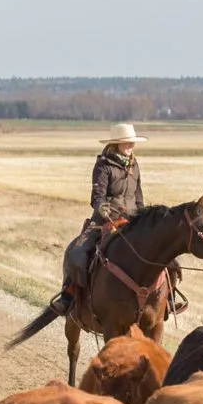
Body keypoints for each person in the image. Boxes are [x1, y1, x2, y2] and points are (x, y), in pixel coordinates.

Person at [60, 124, 143, 314]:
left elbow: (138, 197)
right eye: (126, 143)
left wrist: (143, 217)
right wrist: (102, 208)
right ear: (116, 144)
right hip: (105, 219)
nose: (130, 145)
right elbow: (97, 197)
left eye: (132, 142)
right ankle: (69, 294)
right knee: (77, 253)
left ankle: (168, 298)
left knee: (161, 251)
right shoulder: (104, 165)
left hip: (132, 220)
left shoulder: (134, 165)